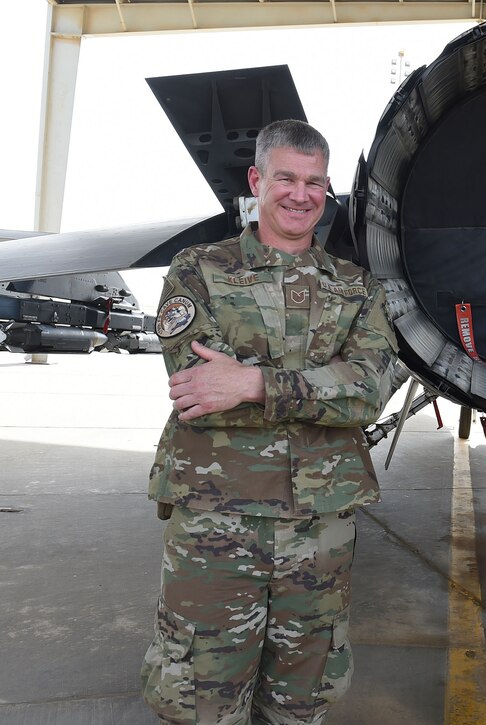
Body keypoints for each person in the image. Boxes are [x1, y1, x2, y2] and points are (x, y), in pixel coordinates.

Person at [140, 119, 399, 724]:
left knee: (302, 698)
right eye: (285, 177)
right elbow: (196, 385)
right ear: (258, 180)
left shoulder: (357, 288)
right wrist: (320, 386)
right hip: (215, 520)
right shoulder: (197, 270)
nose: (300, 194)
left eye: (314, 182)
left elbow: (370, 390)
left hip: (320, 527)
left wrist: (254, 382)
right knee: (200, 693)